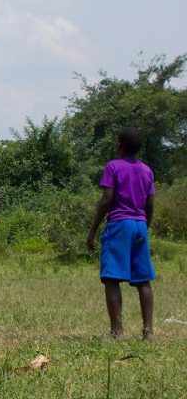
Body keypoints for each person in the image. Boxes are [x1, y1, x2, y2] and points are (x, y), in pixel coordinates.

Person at [86, 127, 156, 341]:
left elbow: (107, 198)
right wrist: (146, 225)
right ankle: (148, 331)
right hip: (140, 225)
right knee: (143, 280)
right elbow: (150, 202)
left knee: (112, 278)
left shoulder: (113, 166)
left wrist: (92, 230)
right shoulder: (146, 170)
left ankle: (117, 331)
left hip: (119, 224)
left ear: (119, 145)